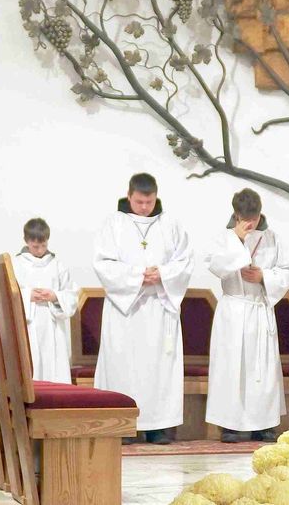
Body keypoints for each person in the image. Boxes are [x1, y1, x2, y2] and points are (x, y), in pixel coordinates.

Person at [92, 173, 194, 445]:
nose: (144, 207)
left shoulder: (170, 224)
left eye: (149, 202)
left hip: (159, 307)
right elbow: (103, 264)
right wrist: (138, 276)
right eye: (139, 202)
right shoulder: (114, 224)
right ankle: (124, 425)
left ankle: (158, 427)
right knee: (123, 367)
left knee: (159, 369)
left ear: (156, 197)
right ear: (129, 196)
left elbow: (185, 261)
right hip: (126, 310)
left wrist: (162, 274)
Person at [205, 189, 289, 443]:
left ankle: (263, 425)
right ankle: (230, 425)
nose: (251, 224)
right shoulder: (224, 237)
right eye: (246, 219)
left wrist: (263, 276)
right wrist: (237, 240)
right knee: (231, 368)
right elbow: (216, 266)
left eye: (254, 219)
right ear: (236, 214)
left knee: (261, 371)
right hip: (234, 310)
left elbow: (288, 270)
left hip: (259, 308)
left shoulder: (272, 238)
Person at [12, 218, 78, 384]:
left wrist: (55, 296)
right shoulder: (16, 264)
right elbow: (8, 294)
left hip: (52, 325)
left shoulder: (57, 265)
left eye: (44, 245)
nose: (40, 250)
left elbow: (71, 294)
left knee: (54, 370)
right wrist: (27, 296)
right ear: (26, 241)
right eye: (35, 246)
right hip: (28, 324)